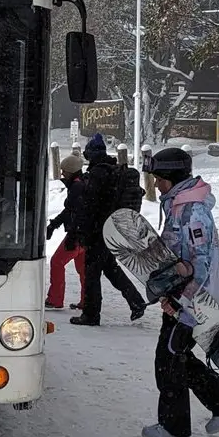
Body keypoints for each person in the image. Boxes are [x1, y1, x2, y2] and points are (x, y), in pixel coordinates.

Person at [140, 146, 219, 437]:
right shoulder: (177, 204)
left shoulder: (193, 210)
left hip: (191, 302)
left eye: (159, 178)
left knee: (169, 358)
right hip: (179, 297)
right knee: (177, 355)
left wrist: (181, 300)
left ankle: (175, 426)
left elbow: (201, 262)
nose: (156, 183)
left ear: (171, 176)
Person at [71, 133, 146, 326]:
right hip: (111, 228)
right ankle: (136, 301)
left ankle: (91, 314)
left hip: (98, 231)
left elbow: (91, 205)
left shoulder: (98, 173)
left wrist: (83, 230)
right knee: (110, 268)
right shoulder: (113, 169)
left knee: (92, 273)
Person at [45, 154, 88, 309]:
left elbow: (71, 211)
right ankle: (86, 300)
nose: (62, 173)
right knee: (83, 270)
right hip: (86, 234)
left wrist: (70, 234)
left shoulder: (76, 187)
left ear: (71, 171)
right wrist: (54, 225)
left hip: (76, 234)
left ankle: (55, 299)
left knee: (57, 262)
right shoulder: (83, 184)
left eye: (64, 171)